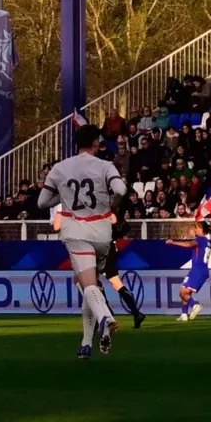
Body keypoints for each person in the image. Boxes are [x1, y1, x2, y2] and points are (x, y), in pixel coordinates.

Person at [39, 123, 127, 360]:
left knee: (86, 284)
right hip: (101, 232)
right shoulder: (105, 166)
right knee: (86, 283)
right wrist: (111, 203)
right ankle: (86, 343)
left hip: (76, 230)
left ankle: (105, 318)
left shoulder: (60, 167)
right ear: (96, 144)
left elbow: (42, 202)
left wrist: (64, 194)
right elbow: (120, 189)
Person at [175, 217, 211, 321]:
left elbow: (189, 244)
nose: (194, 229)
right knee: (183, 291)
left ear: (201, 228)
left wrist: (174, 242)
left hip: (198, 270)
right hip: (199, 269)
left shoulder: (200, 239)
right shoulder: (207, 242)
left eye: (196, 227)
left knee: (184, 293)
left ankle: (195, 305)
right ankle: (184, 315)